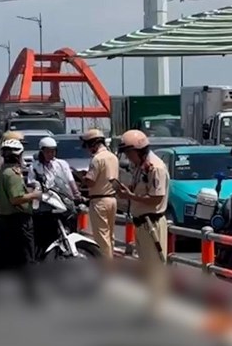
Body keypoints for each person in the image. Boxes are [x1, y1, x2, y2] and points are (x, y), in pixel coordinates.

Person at [114, 129, 169, 310]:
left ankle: (157, 307)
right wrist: (126, 192)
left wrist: (131, 196)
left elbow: (156, 198)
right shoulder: (141, 167)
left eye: (129, 153)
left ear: (138, 151)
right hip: (142, 222)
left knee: (155, 268)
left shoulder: (155, 168)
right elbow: (139, 190)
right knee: (146, 267)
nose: (128, 157)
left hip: (151, 222)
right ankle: (151, 305)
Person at [0, 138, 41, 303]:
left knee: (5, 257)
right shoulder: (13, 175)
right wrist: (34, 194)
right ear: (17, 155)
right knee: (27, 256)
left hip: (5, 219)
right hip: (19, 221)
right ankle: (31, 293)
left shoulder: (1, 173)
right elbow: (16, 199)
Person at [28, 137, 82, 259]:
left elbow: (70, 180)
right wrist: (37, 187)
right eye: (48, 151)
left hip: (61, 201)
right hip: (45, 204)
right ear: (41, 151)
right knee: (43, 233)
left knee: (71, 222)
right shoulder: (35, 167)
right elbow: (31, 183)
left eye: (53, 151)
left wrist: (76, 194)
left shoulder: (62, 164)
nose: (51, 154)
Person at [79, 128, 118, 261]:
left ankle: (106, 267)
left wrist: (82, 178)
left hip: (99, 200)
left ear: (93, 144)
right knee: (110, 236)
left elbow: (90, 182)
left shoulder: (97, 159)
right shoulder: (113, 157)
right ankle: (110, 262)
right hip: (112, 199)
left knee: (102, 238)